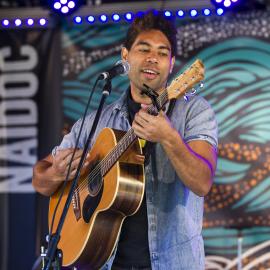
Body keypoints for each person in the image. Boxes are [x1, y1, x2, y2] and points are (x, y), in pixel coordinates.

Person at [32, 11, 218, 270]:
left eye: (163, 53)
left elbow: (202, 182)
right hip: (106, 262)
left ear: (172, 64)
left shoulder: (194, 112)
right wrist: (56, 172)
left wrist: (168, 136)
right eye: (144, 49)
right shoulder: (96, 122)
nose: (153, 58)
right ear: (125, 56)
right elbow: (40, 180)